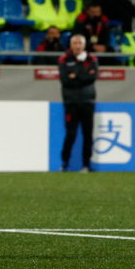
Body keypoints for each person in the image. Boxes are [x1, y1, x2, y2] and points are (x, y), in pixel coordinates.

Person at [58, 35, 98, 173]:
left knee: (88, 134)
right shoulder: (64, 59)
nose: (77, 46)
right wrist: (84, 75)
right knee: (71, 133)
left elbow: (92, 77)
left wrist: (76, 75)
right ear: (70, 45)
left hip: (87, 102)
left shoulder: (92, 59)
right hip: (71, 103)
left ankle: (86, 165)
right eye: (75, 43)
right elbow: (65, 80)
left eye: (79, 43)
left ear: (84, 45)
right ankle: (65, 163)